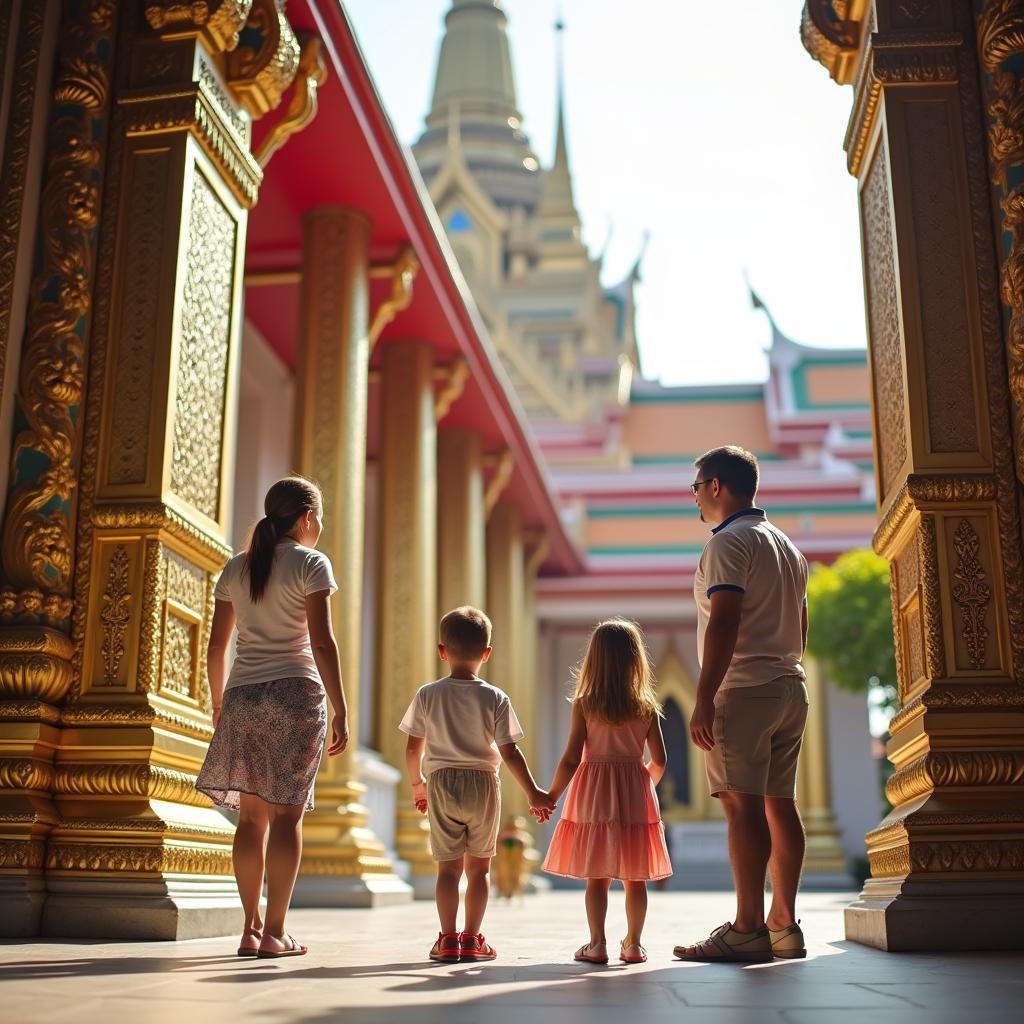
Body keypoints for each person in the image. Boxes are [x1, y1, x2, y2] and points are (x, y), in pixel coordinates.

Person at [196, 476, 349, 960]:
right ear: (306, 518)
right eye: (318, 517)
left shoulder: (237, 566)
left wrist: (220, 702)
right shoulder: (310, 562)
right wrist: (340, 705)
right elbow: (322, 642)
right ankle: (275, 933)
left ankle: (250, 927)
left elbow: (217, 647)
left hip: (243, 695)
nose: (319, 526)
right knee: (287, 817)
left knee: (251, 821)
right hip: (296, 693)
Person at [673, 446, 810, 963]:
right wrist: (781, 664)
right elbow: (802, 625)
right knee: (781, 803)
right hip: (788, 685)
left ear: (715, 486)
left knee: (741, 803)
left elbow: (725, 620)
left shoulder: (728, 543)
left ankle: (748, 926)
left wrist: (703, 697)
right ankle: (783, 923)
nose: (696, 500)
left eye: (696, 489)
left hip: (745, 687)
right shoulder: (786, 546)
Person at [401, 606, 554, 963]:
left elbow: (412, 748)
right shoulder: (495, 697)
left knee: (448, 869)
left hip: (440, 783)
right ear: (487, 653)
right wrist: (534, 793)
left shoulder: (427, 694)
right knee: (479, 869)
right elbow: (511, 752)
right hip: (484, 784)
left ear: (442, 651)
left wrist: (417, 784)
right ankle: (472, 939)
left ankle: (447, 939)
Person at [541, 618, 671, 965]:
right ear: (635, 660)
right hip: (634, 792)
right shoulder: (646, 707)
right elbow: (659, 760)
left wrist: (551, 796)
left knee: (596, 878)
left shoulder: (585, 704)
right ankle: (633, 944)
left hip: (593, 793)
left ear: (594, 660)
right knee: (635, 877)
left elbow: (571, 758)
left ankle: (596, 943)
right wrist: (645, 787)